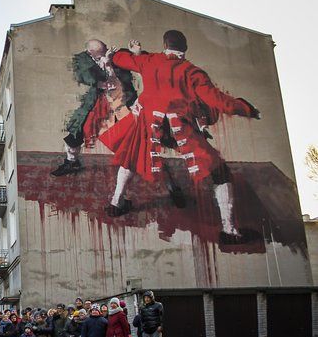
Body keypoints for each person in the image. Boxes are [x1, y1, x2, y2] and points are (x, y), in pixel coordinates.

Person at [101, 31, 262, 245]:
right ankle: (230, 231)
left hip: (150, 124)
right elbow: (217, 100)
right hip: (179, 128)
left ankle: (115, 203)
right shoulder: (193, 72)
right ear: (185, 49)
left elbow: (123, 58)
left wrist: (119, 54)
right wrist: (246, 108)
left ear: (165, 44)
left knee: (131, 157)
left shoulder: (150, 60)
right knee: (219, 172)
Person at [52, 39, 137, 176]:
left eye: (105, 50)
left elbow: (132, 64)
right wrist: (99, 82)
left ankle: (135, 161)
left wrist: (133, 53)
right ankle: (72, 162)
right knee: (77, 132)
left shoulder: (118, 54)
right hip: (97, 102)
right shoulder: (82, 60)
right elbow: (84, 76)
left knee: (129, 134)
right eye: (99, 54)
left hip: (121, 100)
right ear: (90, 53)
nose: (104, 55)